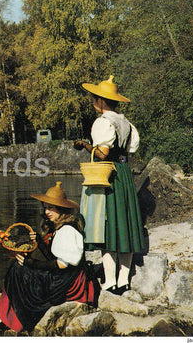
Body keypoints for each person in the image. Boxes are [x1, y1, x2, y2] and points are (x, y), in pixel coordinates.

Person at [0, 181, 97, 332]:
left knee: (19, 270)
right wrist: (39, 240)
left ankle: (9, 316)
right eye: (45, 208)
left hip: (68, 281)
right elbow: (54, 256)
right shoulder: (58, 228)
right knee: (16, 266)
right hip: (62, 275)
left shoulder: (68, 231)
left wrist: (32, 263)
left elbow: (62, 264)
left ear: (62, 209)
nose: (47, 212)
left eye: (51, 208)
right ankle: (3, 311)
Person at [74, 75, 146, 295]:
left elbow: (103, 152)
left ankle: (110, 281)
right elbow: (130, 149)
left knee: (106, 226)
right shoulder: (126, 123)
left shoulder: (103, 122)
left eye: (95, 99)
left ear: (102, 101)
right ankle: (123, 280)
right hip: (124, 173)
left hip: (109, 174)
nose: (94, 103)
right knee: (124, 225)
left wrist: (85, 145)